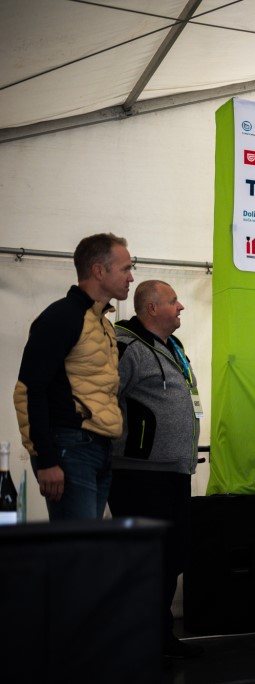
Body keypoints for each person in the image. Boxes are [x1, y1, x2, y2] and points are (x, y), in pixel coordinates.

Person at [107, 280, 204, 659]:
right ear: (151, 308)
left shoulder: (172, 346)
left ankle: (161, 637)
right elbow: (104, 399)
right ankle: (139, 642)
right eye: (173, 301)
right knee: (145, 560)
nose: (181, 307)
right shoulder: (126, 346)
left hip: (174, 471)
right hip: (139, 475)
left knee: (172, 556)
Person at [13, 232, 134, 520]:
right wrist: (46, 459)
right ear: (99, 270)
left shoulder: (103, 323)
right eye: (125, 269)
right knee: (76, 544)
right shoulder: (63, 316)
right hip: (70, 447)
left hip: (99, 448)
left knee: (86, 543)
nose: (131, 277)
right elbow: (29, 389)